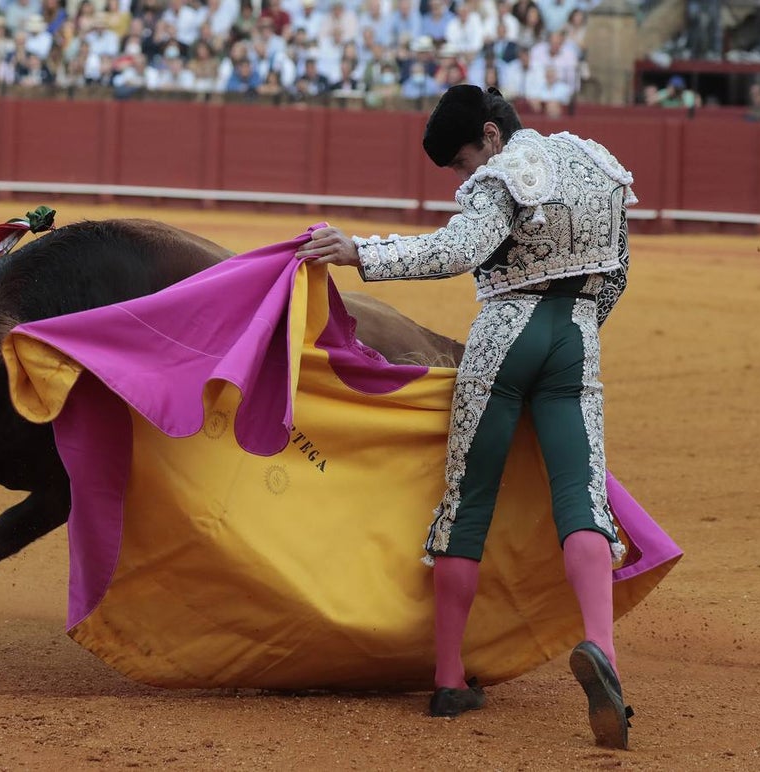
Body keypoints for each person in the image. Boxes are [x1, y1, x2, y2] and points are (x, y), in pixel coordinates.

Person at [294, 84, 636, 750]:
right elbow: (617, 271)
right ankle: (603, 654)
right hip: (575, 337)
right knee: (582, 498)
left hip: (504, 337)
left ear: (490, 135)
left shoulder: (502, 174)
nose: (462, 175)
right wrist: (576, 330)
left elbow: (457, 251)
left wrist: (361, 251)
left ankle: (449, 679)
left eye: (460, 161)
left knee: (468, 502)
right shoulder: (596, 163)